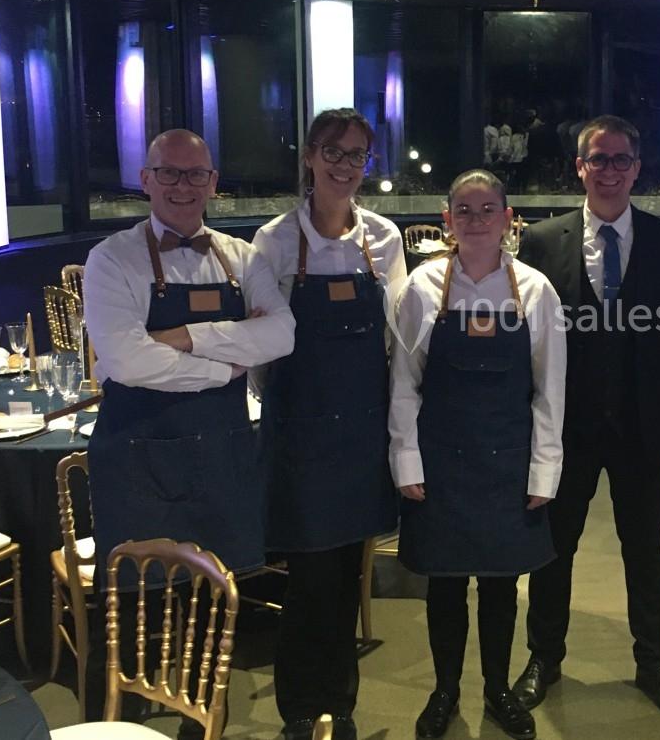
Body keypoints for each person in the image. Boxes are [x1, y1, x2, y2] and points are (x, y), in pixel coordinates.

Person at [82, 128, 295, 726]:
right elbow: (126, 361)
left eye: (195, 174)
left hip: (220, 458)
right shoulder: (112, 259)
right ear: (146, 180)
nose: (182, 186)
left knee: (210, 611)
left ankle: (199, 728)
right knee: (130, 614)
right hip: (138, 459)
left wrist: (182, 337)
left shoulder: (242, 257)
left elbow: (281, 334)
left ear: (213, 183)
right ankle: (114, 726)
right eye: (169, 173)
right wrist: (226, 365)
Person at [512, 115, 660, 721]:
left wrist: (643, 372)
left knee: (644, 550)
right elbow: (531, 334)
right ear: (580, 167)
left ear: (637, 168)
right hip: (566, 428)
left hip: (643, 426)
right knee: (554, 549)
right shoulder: (543, 242)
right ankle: (544, 658)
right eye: (599, 158)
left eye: (622, 159)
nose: (610, 170)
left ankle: (654, 663)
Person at [389, 169, 565, 740]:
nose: (476, 220)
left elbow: (549, 390)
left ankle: (497, 689)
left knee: (499, 586)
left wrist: (544, 470)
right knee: (443, 586)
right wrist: (406, 460)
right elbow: (404, 384)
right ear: (447, 220)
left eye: (488, 209)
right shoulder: (421, 288)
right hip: (440, 461)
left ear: (508, 218)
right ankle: (444, 691)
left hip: (507, 461)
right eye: (464, 210)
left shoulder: (535, 290)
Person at [253, 108, 406, 740]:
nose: (345, 166)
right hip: (301, 437)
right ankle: (298, 709)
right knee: (308, 578)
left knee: (348, 576)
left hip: (361, 436)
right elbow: (262, 351)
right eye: (334, 152)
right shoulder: (275, 242)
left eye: (357, 155)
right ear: (311, 156)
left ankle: (340, 707)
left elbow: (398, 337)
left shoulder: (383, 239)